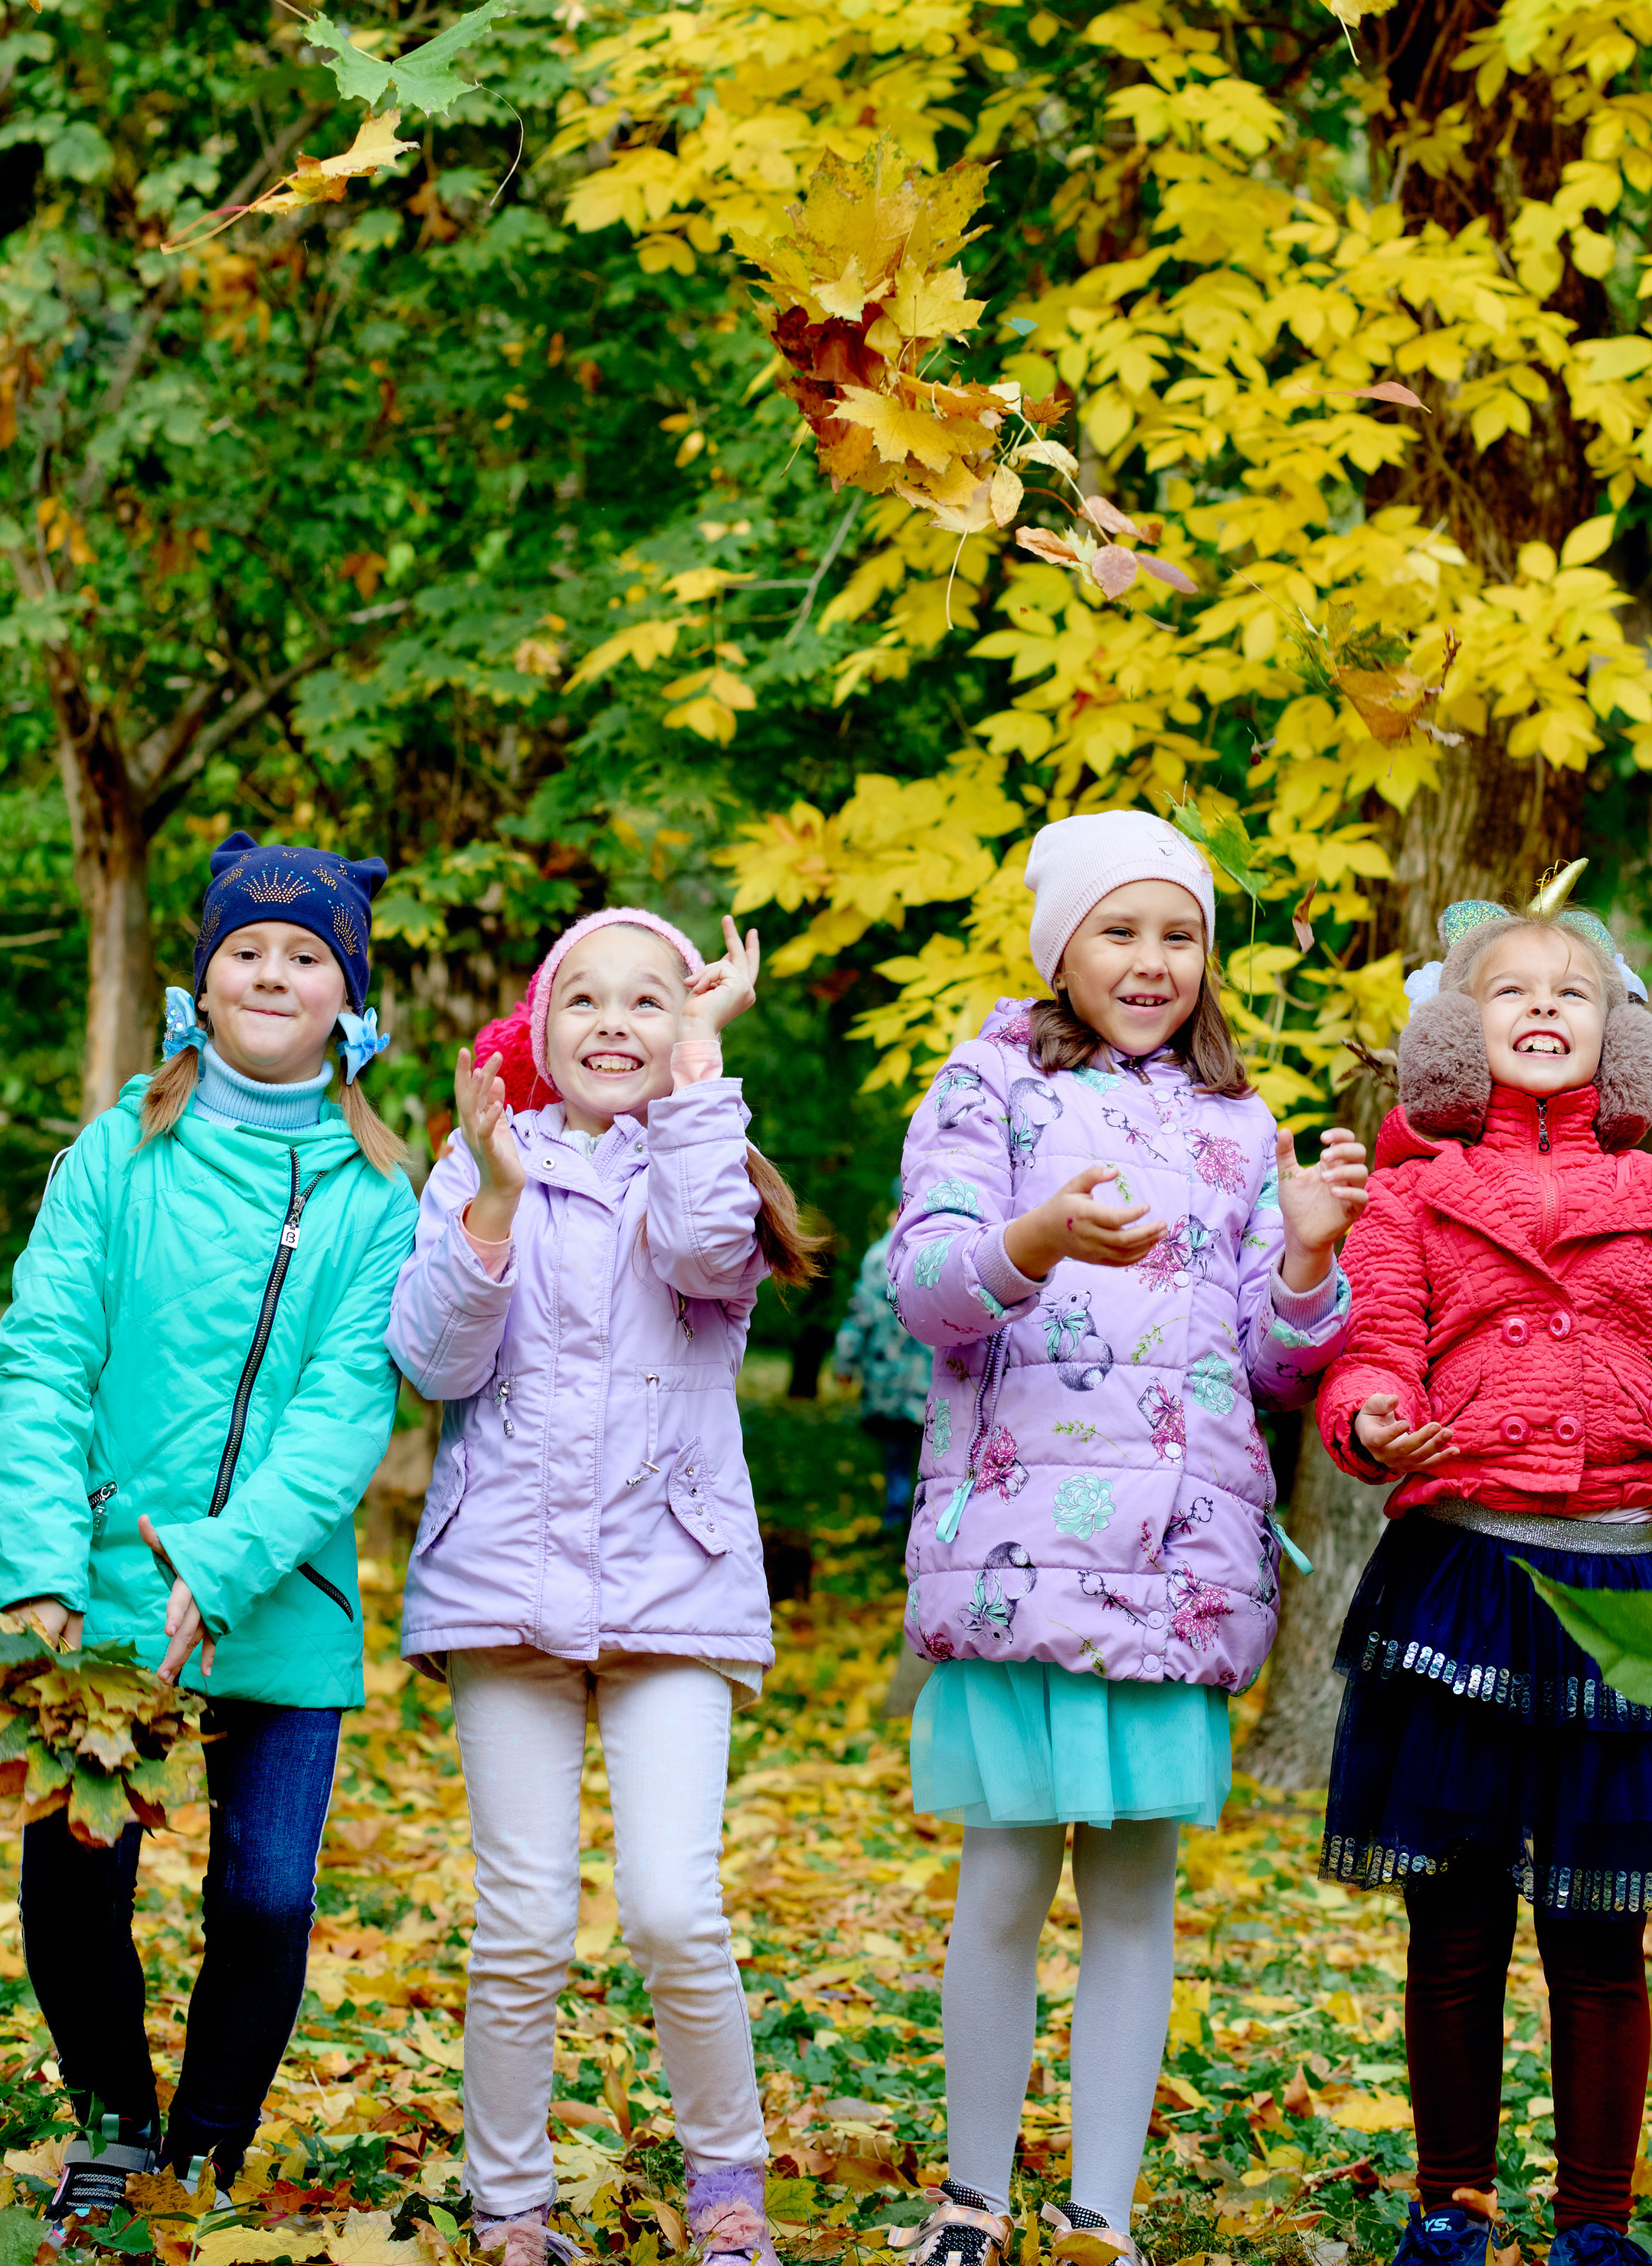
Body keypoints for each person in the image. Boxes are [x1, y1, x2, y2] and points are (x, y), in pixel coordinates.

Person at [885, 810, 1365, 2266]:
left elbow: (1274, 1371)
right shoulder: (989, 1088)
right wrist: (1032, 1245)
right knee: (1008, 1881)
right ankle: (973, 2195)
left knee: (1137, 1897)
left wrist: (1305, 1257)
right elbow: (923, 1288)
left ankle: (1103, 2212)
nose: (1151, 961)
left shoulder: (1243, 1128)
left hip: (1176, 1569)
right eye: (1120, 929)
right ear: (1060, 949)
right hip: (1020, 1553)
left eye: (1178, 934)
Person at [0, 834, 420, 2228]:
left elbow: (347, 1414)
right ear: (203, 985)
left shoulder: (379, 1194)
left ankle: (207, 2147)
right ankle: (111, 2123)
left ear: (347, 1001)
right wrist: (40, 1558)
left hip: (280, 1602)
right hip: (95, 1597)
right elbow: (45, 1355)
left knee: (268, 1901)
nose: (273, 971)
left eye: (307, 955)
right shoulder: (124, 1151)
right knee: (80, 1889)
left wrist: (220, 1571)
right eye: (247, 949)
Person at [1315, 895, 1652, 2266]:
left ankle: (1598, 2223)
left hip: (1623, 1588)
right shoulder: (1408, 1201)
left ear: (1619, 1042)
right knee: (1454, 1917)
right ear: (1457, 1031)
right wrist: (1375, 1417)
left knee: (1599, 1926)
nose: (1545, 1008)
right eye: (1511, 992)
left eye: (1576, 992)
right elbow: (1373, 1348)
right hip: (1459, 1579)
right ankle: (1449, 2202)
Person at [388, 907, 815, 2266]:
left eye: (650, 1001)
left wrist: (705, 1065)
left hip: (670, 1581)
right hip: (505, 1583)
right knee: (521, 1920)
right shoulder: (476, 1163)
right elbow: (435, 1365)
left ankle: (727, 2184)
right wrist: (494, 1204)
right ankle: (512, 2204)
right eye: (587, 1000)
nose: (616, 1024)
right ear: (539, 1026)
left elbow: (703, 1256)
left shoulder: (706, 1160)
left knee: (675, 1907)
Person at [833, 1211, 934, 1537]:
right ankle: (918, 1521)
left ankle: (897, 1516)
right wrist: (845, 1361)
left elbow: (859, 1314)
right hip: (924, 1378)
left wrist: (846, 1361)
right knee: (926, 1450)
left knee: (898, 1452)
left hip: (888, 1378)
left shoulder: (879, 1257)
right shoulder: (938, 1253)